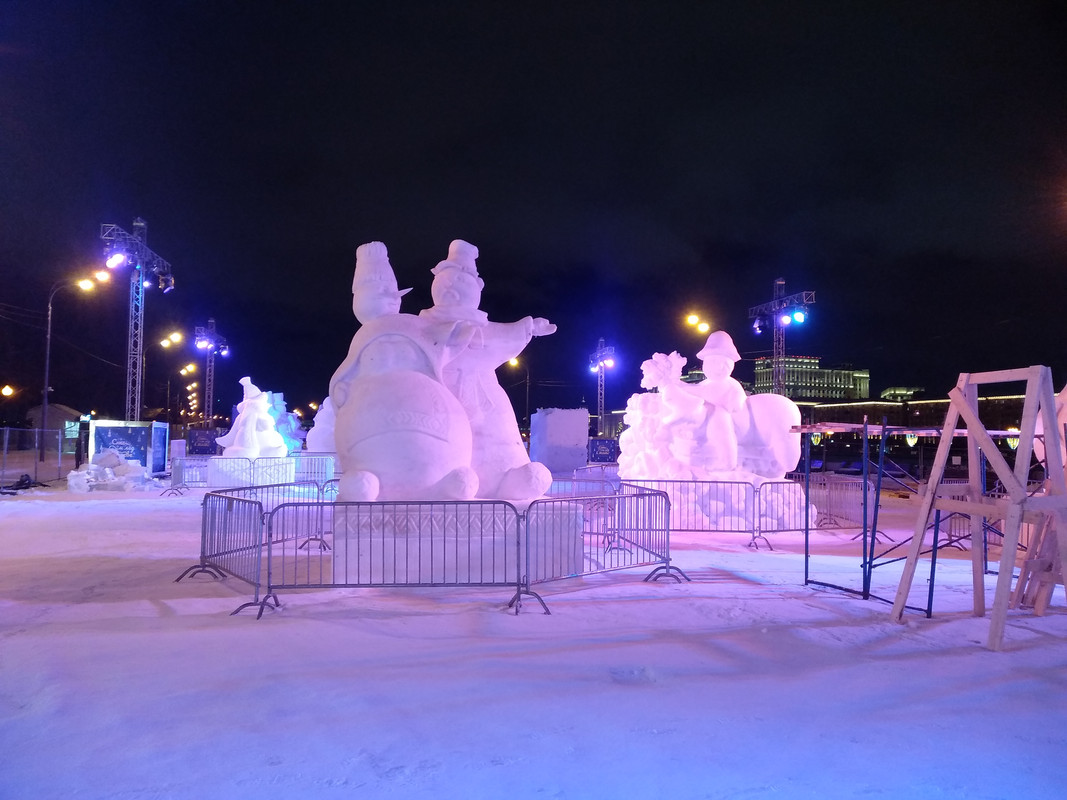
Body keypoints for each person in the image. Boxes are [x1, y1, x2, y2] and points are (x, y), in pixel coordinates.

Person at [419, 239, 554, 501]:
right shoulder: (426, 328)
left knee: (496, 439)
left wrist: (530, 327)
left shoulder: (480, 330)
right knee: (440, 442)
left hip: (483, 398)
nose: (452, 291)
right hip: (440, 398)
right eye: (448, 284)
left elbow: (504, 335)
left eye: (460, 283)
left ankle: (508, 480)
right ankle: (441, 483)